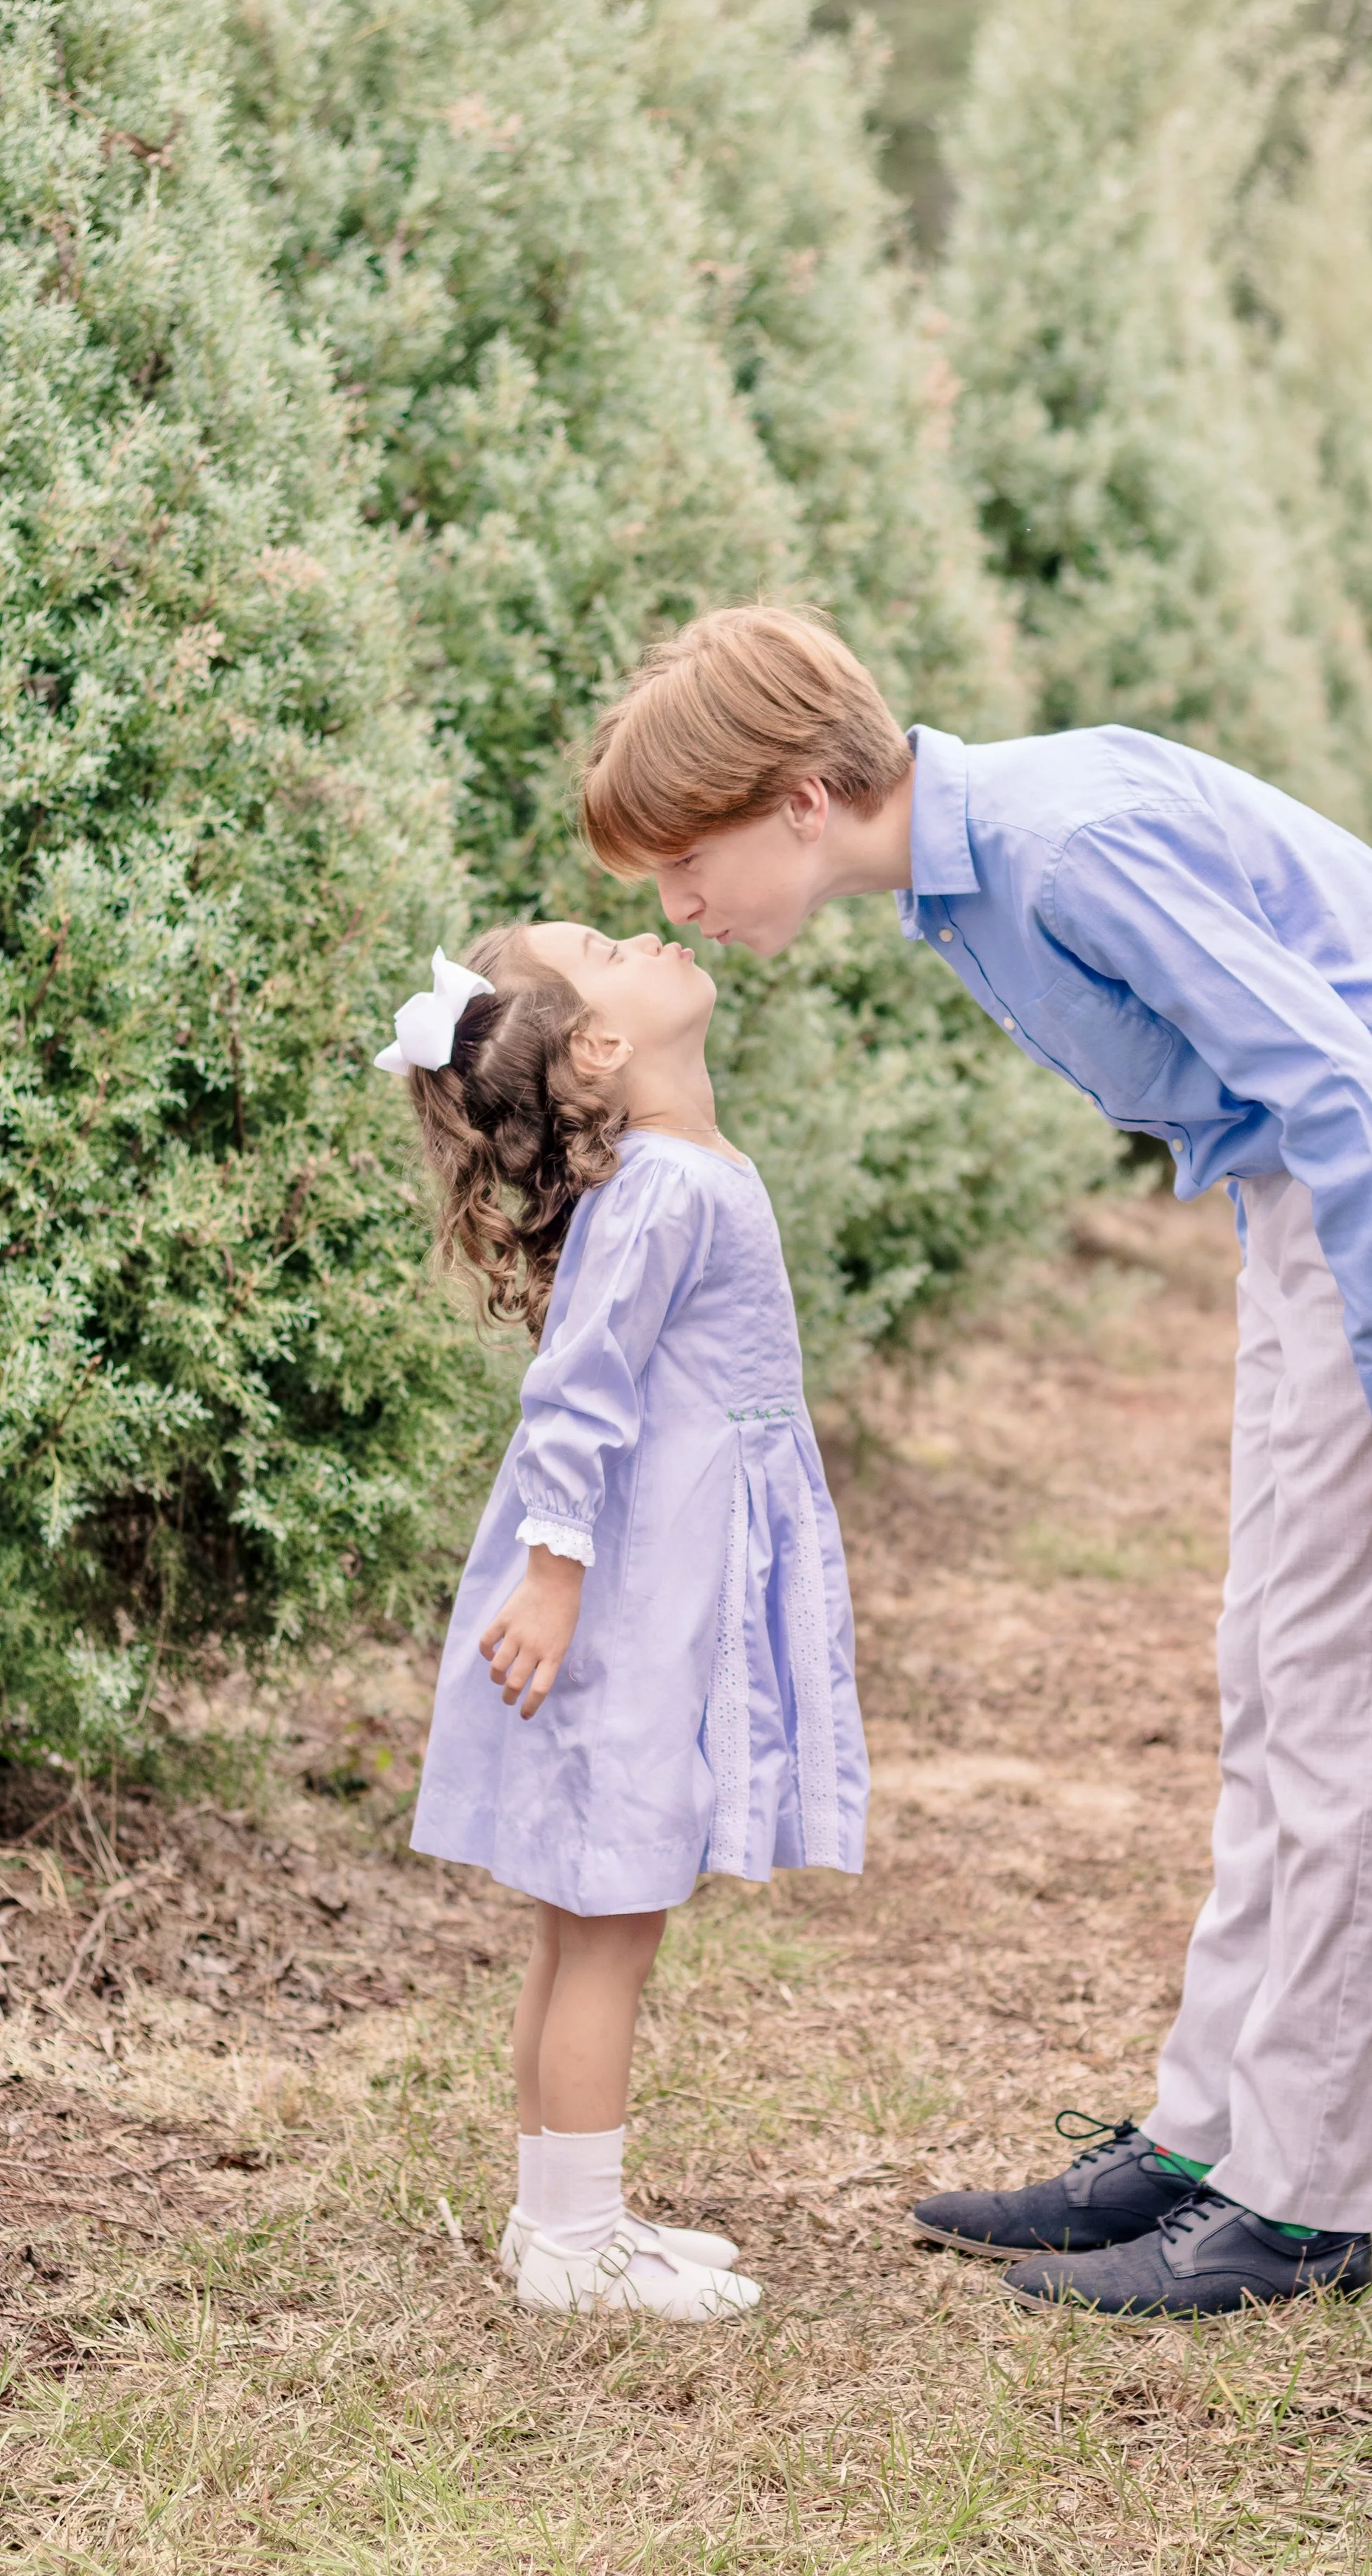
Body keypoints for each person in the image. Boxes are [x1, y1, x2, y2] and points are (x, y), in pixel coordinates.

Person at [578, 604, 1372, 2324]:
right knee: (1270, 1666)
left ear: (801, 798)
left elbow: (1333, 1073)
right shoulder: (957, 874)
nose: (675, 906)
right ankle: (1201, 2142)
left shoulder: (1050, 845)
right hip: (1313, 1187)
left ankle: (1297, 2204)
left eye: (685, 858)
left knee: (1346, 1688)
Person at [377, 919, 868, 2319]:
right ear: (600, 1046)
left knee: (580, 1918)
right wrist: (557, 1576)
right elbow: (578, 1395)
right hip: (628, 1588)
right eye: (606, 943)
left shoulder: (676, 1174)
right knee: (607, 1918)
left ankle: (556, 2223)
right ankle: (579, 2247)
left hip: (655, 1565)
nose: (648, 927)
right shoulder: (662, 1192)